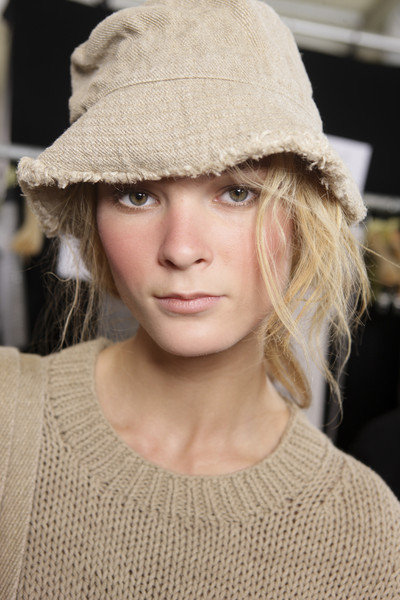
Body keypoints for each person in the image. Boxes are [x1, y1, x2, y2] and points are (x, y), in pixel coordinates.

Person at [1, 0, 399, 597]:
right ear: (95, 221)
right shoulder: (8, 416)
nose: (181, 249)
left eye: (237, 192)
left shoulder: (368, 535)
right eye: (137, 194)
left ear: (304, 218)